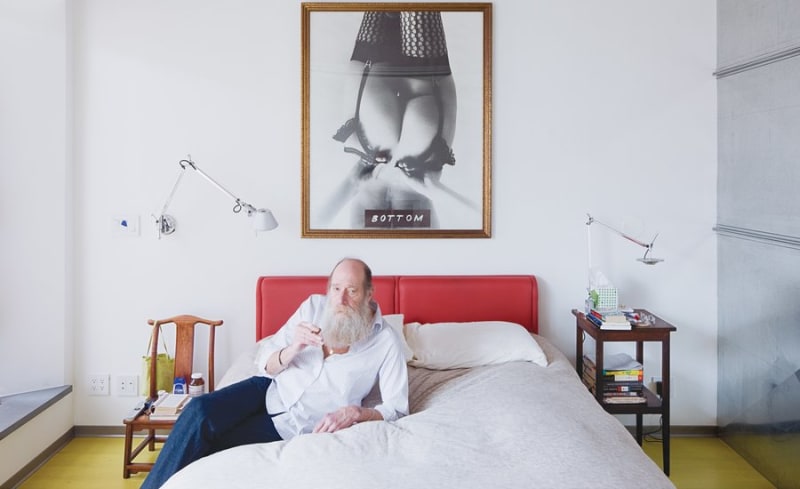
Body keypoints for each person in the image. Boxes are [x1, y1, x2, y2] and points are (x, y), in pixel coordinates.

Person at [140, 258, 409, 488]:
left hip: (297, 421)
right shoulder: (313, 307)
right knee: (199, 411)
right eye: (336, 288)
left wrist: (356, 412)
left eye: (351, 290)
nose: (340, 300)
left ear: (369, 294)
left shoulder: (386, 342)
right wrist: (293, 348)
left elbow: (397, 408)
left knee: (214, 445)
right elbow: (265, 360)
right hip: (268, 388)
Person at [320, 11, 478, 229]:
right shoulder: (359, 251)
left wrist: (432, 190)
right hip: (371, 149)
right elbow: (316, 221)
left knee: (418, 8)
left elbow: (484, 221)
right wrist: (352, 182)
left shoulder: (428, 257)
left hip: (420, 159)